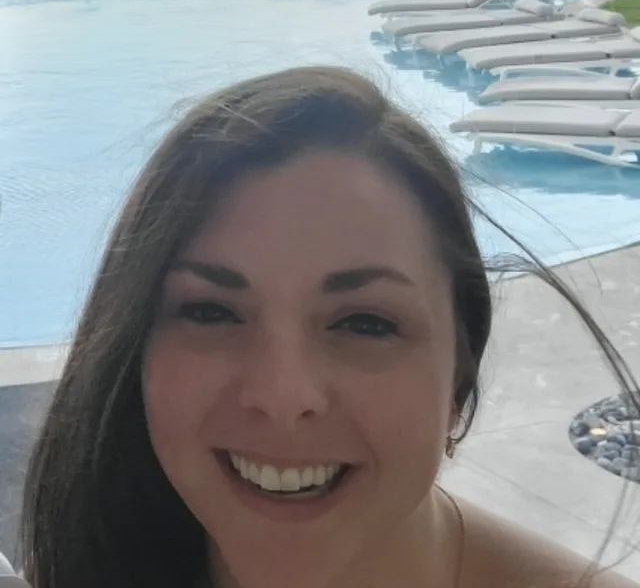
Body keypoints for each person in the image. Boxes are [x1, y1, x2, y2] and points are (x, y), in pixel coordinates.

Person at [19, 66, 640, 588]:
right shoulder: (96, 558)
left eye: (365, 323)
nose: (282, 397)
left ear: (459, 379)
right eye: (211, 311)